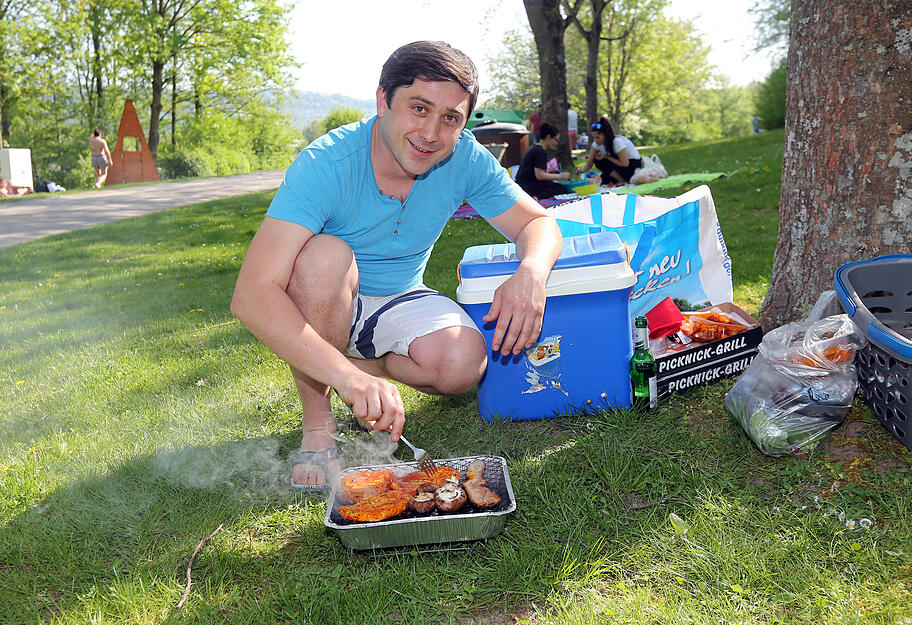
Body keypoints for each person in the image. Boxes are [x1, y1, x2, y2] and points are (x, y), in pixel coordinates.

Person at [231, 41, 562, 492]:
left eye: (450, 118)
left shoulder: (464, 156)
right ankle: (318, 422)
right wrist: (343, 378)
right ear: (383, 99)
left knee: (463, 363)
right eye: (419, 108)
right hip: (328, 291)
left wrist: (530, 273)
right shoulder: (326, 163)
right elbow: (252, 293)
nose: (430, 133)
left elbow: (538, 222)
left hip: (401, 293)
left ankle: (352, 364)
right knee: (326, 255)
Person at [577, 116, 642, 185]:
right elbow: (590, 161)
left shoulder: (617, 141)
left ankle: (622, 180)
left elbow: (625, 163)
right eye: (594, 137)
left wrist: (606, 157)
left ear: (605, 135)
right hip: (619, 166)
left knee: (602, 163)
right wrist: (582, 170)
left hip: (632, 166)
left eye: (598, 137)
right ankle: (619, 180)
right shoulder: (596, 144)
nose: (595, 140)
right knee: (602, 177)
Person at [515, 122, 571, 200]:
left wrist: (550, 174)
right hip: (528, 186)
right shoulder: (540, 151)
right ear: (548, 137)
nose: (556, 143)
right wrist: (561, 176)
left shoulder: (533, 148)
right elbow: (540, 175)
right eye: (556, 140)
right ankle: (536, 197)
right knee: (562, 189)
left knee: (553, 185)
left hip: (523, 184)